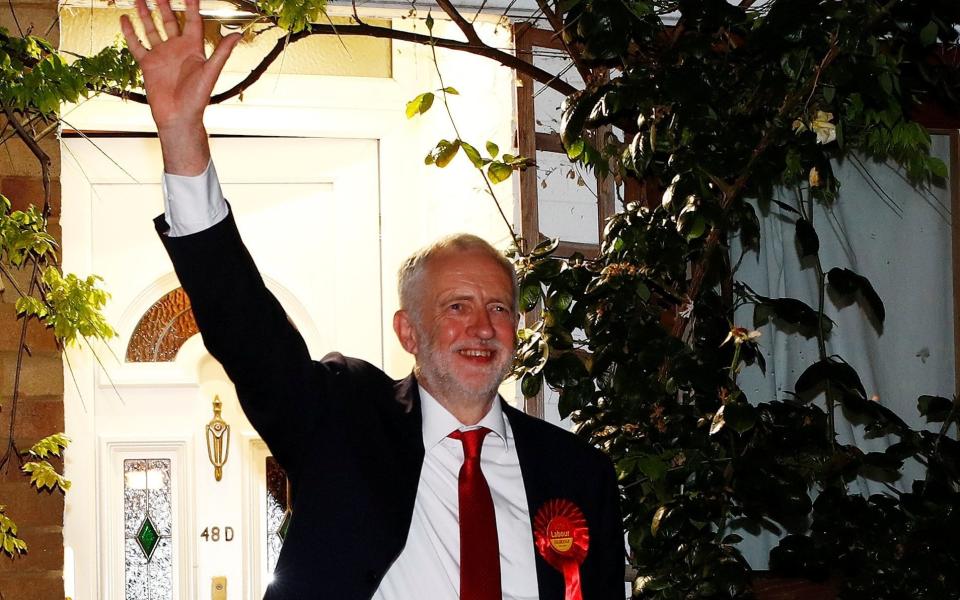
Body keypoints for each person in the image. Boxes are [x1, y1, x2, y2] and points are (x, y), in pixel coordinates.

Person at [121, 0, 625, 598]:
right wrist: (182, 138)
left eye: (499, 309)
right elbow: (250, 335)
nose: (482, 327)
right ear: (408, 332)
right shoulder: (346, 421)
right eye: (456, 307)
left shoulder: (576, 472)